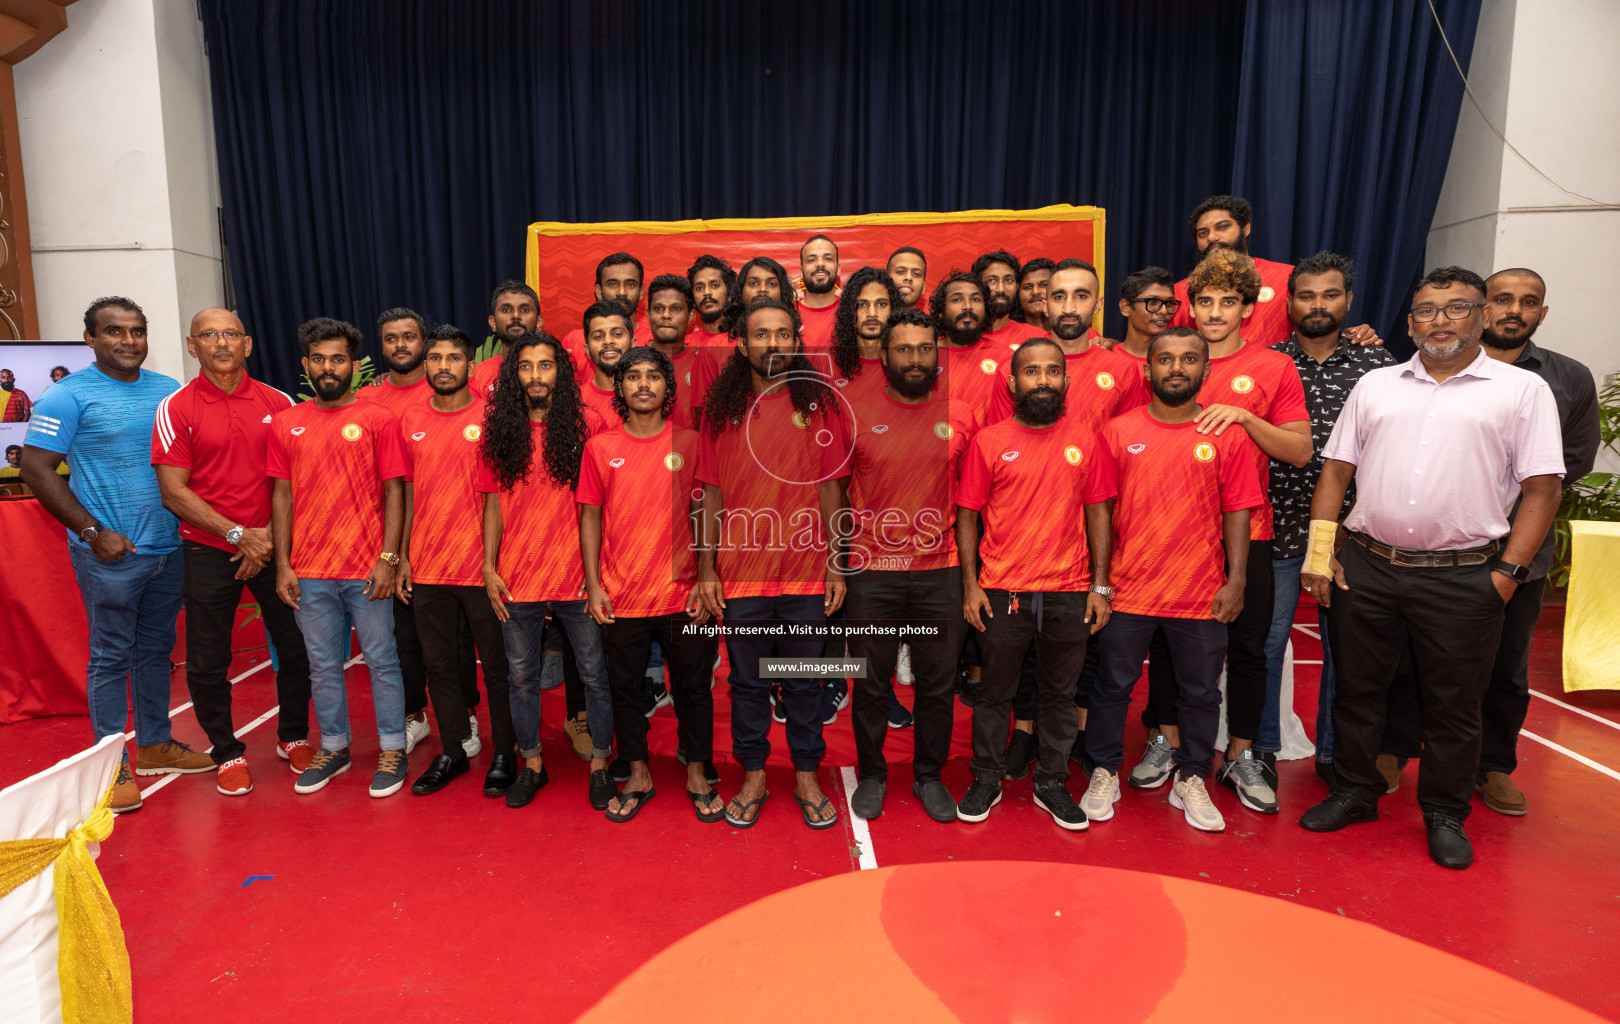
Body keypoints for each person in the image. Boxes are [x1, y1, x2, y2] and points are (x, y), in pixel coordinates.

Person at [1298, 266, 1564, 870]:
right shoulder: (1377, 386)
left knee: (1454, 705)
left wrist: (1507, 575)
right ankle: (1357, 792)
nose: (1439, 321)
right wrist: (1320, 556)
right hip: (1367, 568)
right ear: (1409, 319)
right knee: (1360, 693)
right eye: (1426, 310)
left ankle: (1444, 812)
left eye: (1456, 308)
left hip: (1465, 577)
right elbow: (1336, 472)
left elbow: (1543, 489)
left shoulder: (1521, 391)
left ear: (1481, 315)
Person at [1409, 267, 1596, 817]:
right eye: (1503, 299)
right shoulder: (1433, 368)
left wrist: (1500, 501)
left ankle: (1493, 768)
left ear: (1542, 312)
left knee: (1506, 667)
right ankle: (1397, 751)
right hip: (1437, 546)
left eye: (1529, 301)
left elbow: (1571, 465)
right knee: (1409, 659)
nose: (1515, 309)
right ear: (1481, 308)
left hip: (1520, 553)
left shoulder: (1567, 378)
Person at [1134, 247, 1310, 815]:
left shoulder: (1274, 367)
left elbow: (1301, 451)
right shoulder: (1170, 358)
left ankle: (1242, 753)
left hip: (1248, 534)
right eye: (1203, 301)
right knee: (1164, 645)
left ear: (1246, 309)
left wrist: (1246, 417)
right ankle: (1169, 742)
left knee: (1249, 647)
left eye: (1227, 302)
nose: (1214, 312)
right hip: (1167, 530)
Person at [22, 297, 205, 813]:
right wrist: (90, 530)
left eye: (137, 331)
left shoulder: (168, 390)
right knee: (109, 656)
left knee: (155, 652)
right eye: (115, 331)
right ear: (91, 339)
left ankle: (153, 743)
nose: (128, 341)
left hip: (169, 547)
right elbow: (36, 469)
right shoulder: (67, 395)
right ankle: (110, 763)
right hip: (110, 554)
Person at [1081, 326, 1261, 833]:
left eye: (1188, 359)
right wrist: (1100, 582)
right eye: (1165, 359)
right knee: (1112, 686)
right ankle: (1103, 769)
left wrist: (1237, 579)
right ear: (1148, 369)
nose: (1176, 368)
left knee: (1201, 694)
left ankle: (1192, 777)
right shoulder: (1116, 432)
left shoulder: (1225, 434)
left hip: (1199, 593)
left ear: (1205, 370)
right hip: (1129, 588)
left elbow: (1238, 512)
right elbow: (1099, 510)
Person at [984, 260, 1148, 777]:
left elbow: (1135, 445)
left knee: (1083, 652)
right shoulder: (1020, 366)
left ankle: (1074, 735)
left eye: (1081, 296)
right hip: (1025, 541)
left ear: (1096, 304)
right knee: (1022, 654)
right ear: (1043, 303)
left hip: (1094, 535)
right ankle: (1025, 735)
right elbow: (997, 449)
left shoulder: (1121, 369)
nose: (1069, 306)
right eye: (1059, 296)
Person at [694, 298, 851, 831]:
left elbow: (833, 490)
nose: (774, 343)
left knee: (805, 681)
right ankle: (755, 774)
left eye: (783, 333)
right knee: (748, 682)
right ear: (742, 343)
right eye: (762, 334)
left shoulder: (821, 406)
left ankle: (806, 774)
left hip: (807, 573)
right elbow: (710, 495)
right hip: (741, 577)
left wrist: (836, 563)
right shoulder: (722, 411)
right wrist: (707, 568)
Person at [151, 308, 313, 797]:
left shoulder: (278, 402)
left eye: (230, 334)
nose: (220, 343)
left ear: (247, 344)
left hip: (273, 546)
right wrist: (240, 535)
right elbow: (172, 492)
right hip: (209, 549)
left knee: (296, 646)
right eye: (208, 335)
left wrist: (266, 540)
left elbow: (294, 480)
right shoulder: (176, 408)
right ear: (190, 344)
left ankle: (293, 736)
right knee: (206, 660)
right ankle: (226, 752)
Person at [954, 337, 1115, 832]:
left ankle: (1051, 782)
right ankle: (986, 777)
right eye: (1031, 372)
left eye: (1051, 372)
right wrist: (971, 586)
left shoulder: (1087, 439)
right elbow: (966, 515)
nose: (1041, 380)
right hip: (1003, 591)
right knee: (994, 695)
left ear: (1066, 382)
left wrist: (1101, 586)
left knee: (1060, 697)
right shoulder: (988, 441)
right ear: (1012, 382)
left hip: (1069, 592)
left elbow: (1099, 514)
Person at [1262, 253, 1395, 790]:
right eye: (1307, 295)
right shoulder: (1266, 362)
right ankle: (1260, 749)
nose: (1318, 305)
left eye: (1330, 295)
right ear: (1290, 302)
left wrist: (1348, 526)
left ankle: (1337, 759)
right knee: (1266, 647)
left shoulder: (1379, 367)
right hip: (1274, 529)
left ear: (1348, 300)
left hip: (1351, 534)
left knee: (1348, 652)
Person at [269, 317, 411, 799]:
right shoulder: (288, 423)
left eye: (338, 359)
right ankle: (335, 746)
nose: (329, 367)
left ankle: (393, 747)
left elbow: (396, 492)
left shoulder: (379, 419)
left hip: (367, 569)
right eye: (319, 359)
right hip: (309, 572)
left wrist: (389, 557)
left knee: (382, 662)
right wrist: (284, 563)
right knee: (322, 666)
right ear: (306, 365)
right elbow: (282, 497)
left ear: (353, 364)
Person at [579, 345, 720, 822]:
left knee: (694, 688)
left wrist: (705, 578)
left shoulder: (693, 442)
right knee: (625, 690)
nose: (643, 384)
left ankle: (697, 770)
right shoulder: (601, 447)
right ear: (619, 388)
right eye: (633, 377)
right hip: (621, 597)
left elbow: (705, 513)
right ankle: (638, 773)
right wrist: (594, 584)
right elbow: (590, 517)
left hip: (684, 596)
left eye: (652, 376)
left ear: (667, 387)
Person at [477, 332, 615, 809]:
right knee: (521, 678)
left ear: (562, 371)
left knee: (595, 675)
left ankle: (600, 763)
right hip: (517, 580)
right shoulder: (499, 430)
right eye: (527, 366)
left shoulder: (590, 425)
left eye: (546, 365)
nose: (536, 375)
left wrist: (597, 575)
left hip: (577, 579)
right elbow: (491, 506)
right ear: (515, 374)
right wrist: (489, 567)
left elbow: (601, 507)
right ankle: (532, 764)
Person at [843, 308, 968, 822]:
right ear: (884, 355)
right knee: (871, 682)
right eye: (903, 349)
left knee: (937, 684)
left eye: (923, 349)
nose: (914, 359)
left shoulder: (960, 415)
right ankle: (872, 774)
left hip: (941, 572)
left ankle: (928, 775)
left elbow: (971, 503)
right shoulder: (854, 409)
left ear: (936, 352)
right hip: (873, 571)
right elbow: (832, 489)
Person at [399, 325, 518, 798]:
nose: (444, 366)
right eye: (436, 358)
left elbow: (500, 498)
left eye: (453, 357)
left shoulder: (493, 416)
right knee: (440, 664)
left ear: (470, 365)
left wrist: (493, 562)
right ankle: (452, 750)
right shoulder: (408, 418)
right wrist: (403, 555)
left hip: (482, 569)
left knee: (497, 665)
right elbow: (406, 493)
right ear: (426, 365)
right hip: (427, 568)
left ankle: (506, 750)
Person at [358, 307, 481, 757]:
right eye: (391, 338)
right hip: (398, 542)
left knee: (461, 640)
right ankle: (415, 715)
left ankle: (464, 712)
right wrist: (394, 552)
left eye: (409, 337)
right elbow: (393, 484)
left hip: (462, 550)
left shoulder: (468, 400)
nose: (400, 346)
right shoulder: (371, 402)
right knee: (405, 637)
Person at [929, 271, 1000, 436]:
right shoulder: (924, 356)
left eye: (975, 299)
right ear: (941, 311)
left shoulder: (1006, 358)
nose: (967, 306)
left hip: (987, 457)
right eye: (957, 299)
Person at [561, 253, 654, 371]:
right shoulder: (574, 341)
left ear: (641, 292)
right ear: (599, 292)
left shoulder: (654, 340)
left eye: (630, 285)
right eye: (612, 284)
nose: (622, 292)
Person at [645, 273, 703, 429]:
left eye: (675, 308)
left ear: (691, 316)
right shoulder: (632, 363)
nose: (666, 315)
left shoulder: (703, 362)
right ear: (649, 314)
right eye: (658, 308)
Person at [471, 280, 545, 397]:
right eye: (506, 310)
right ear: (493, 322)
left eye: (525, 310)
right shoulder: (477, 376)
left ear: (539, 322)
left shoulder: (557, 369)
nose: (516, 316)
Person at [973, 250, 1048, 352]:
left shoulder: (1036, 336)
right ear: (977, 286)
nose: (1001, 289)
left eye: (1008, 280)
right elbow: (942, 367)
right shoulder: (957, 335)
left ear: (1017, 286)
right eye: (992, 281)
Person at [579, 300, 635, 423]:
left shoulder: (649, 397)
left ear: (633, 343)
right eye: (598, 336)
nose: (608, 341)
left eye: (617, 334)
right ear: (587, 350)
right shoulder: (575, 401)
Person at [1113, 266, 1179, 362]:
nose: (1164, 311)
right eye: (1153, 302)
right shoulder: (1105, 358)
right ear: (1125, 307)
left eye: (1169, 303)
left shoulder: (1177, 363)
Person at [797, 234, 841, 349]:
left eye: (828, 258)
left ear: (838, 269)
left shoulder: (853, 312)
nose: (820, 264)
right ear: (801, 272)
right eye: (811, 260)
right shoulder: (787, 314)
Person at [687, 254, 736, 345]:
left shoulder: (743, 344)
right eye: (699, 288)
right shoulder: (684, 346)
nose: (706, 292)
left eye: (714, 285)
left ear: (730, 294)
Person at [1014, 257, 1055, 331]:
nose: (1035, 292)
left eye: (1043, 285)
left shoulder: (1074, 335)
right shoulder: (1008, 338)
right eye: (1028, 287)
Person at [886, 246, 928, 311]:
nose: (908, 277)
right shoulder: (871, 320)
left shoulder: (929, 321)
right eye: (900, 271)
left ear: (924, 287)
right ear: (886, 280)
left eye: (916, 274)